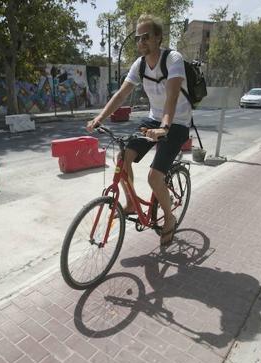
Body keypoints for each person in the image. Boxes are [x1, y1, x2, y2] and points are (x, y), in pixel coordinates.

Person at [86, 14, 191, 246]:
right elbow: (121, 94)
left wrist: (165, 127)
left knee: (155, 177)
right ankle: (131, 202)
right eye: (137, 38)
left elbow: (172, 97)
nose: (141, 42)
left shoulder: (173, 59)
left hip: (178, 123)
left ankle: (170, 218)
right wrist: (100, 118)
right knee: (123, 158)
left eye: (146, 37)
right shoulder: (140, 64)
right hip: (154, 119)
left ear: (158, 38)